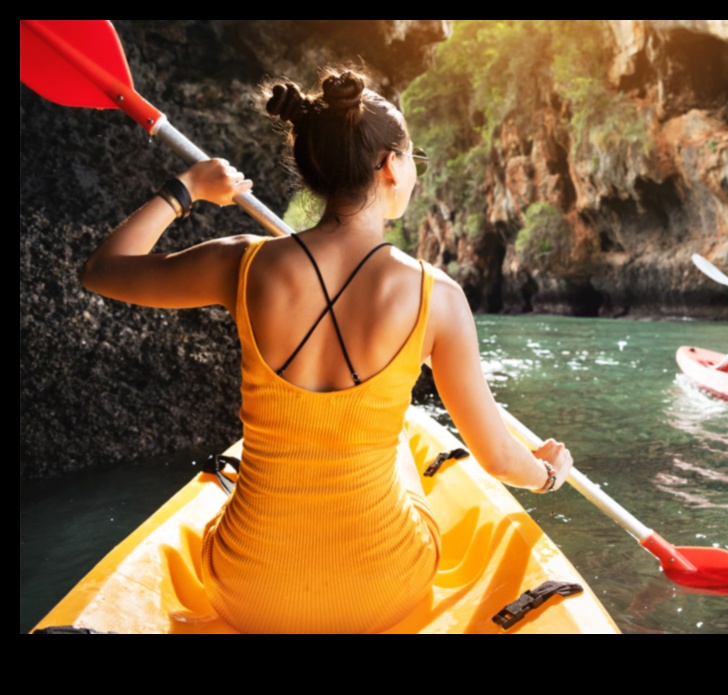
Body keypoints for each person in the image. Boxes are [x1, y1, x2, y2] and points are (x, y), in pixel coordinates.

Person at [79, 70, 573, 633]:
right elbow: (500, 460)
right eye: (413, 156)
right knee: (402, 442)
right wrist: (548, 474)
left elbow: (101, 271)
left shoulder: (241, 264)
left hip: (249, 593)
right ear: (391, 165)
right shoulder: (439, 298)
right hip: (383, 591)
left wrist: (186, 187)